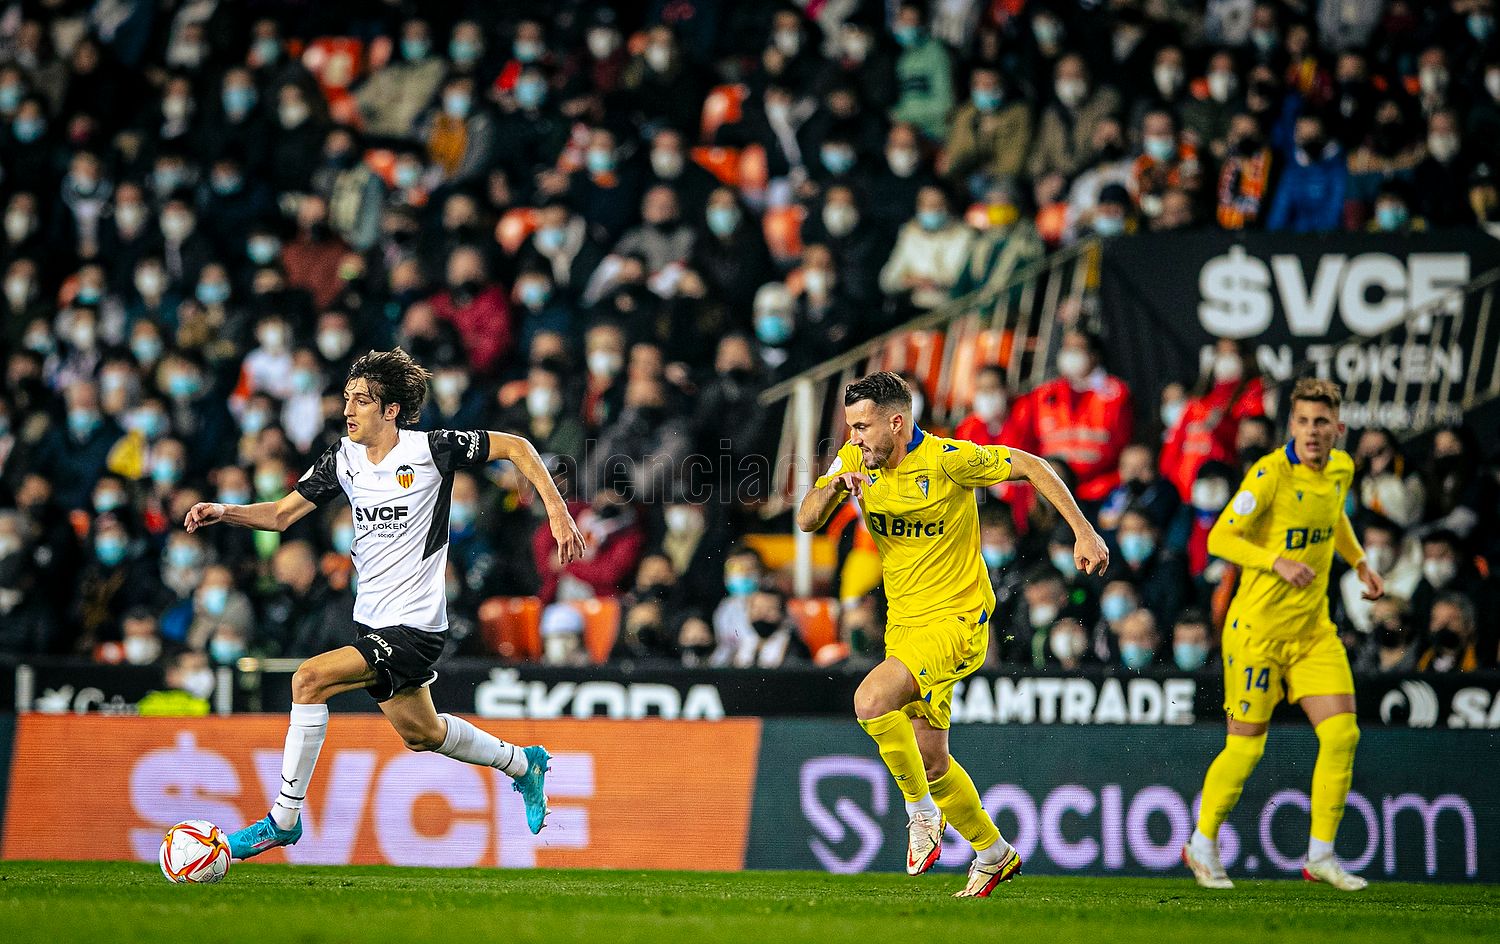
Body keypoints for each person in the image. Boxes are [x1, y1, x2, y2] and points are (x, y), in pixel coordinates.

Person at [183, 348, 587, 861]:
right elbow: (284, 514)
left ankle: (282, 820)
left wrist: (557, 511)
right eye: (347, 399)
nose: (348, 410)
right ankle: (524, 764)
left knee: (307, 679)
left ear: (391, 410)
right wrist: (226, 511)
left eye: (361, 401)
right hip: (371, 622)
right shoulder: (343, 459)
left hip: (414, 627)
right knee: (424, 733)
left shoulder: (432, 449)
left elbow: (517, 445)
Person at [796, 371, 1108, 898]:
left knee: (871, 701)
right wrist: (832, 488)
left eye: (863, 427)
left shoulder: (949, 460)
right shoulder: (854, 460)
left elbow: (1031, 465)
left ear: (896, 422)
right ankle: (993, 853)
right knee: (932, 758)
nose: (853, 438)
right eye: (849, 427)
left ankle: (920, 816)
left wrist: (1083, 530)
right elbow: (806, 519)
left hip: (956, 622)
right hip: (905, 626)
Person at [1183, 379, 1383, 892]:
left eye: (1321, 422)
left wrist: (1359, 562)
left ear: (1337, 428)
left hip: (1313, 631)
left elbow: (1333, 516)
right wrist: (1276, 561)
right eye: (1303, 422)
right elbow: (1223, 535)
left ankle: (1321, 856)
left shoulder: (1341, 469)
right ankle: (1202, 843)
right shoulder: (1269, 473)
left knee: (1342, 734)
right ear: (1290, 425)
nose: (1312, 432)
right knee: (1247, 749)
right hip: (1257, 633)